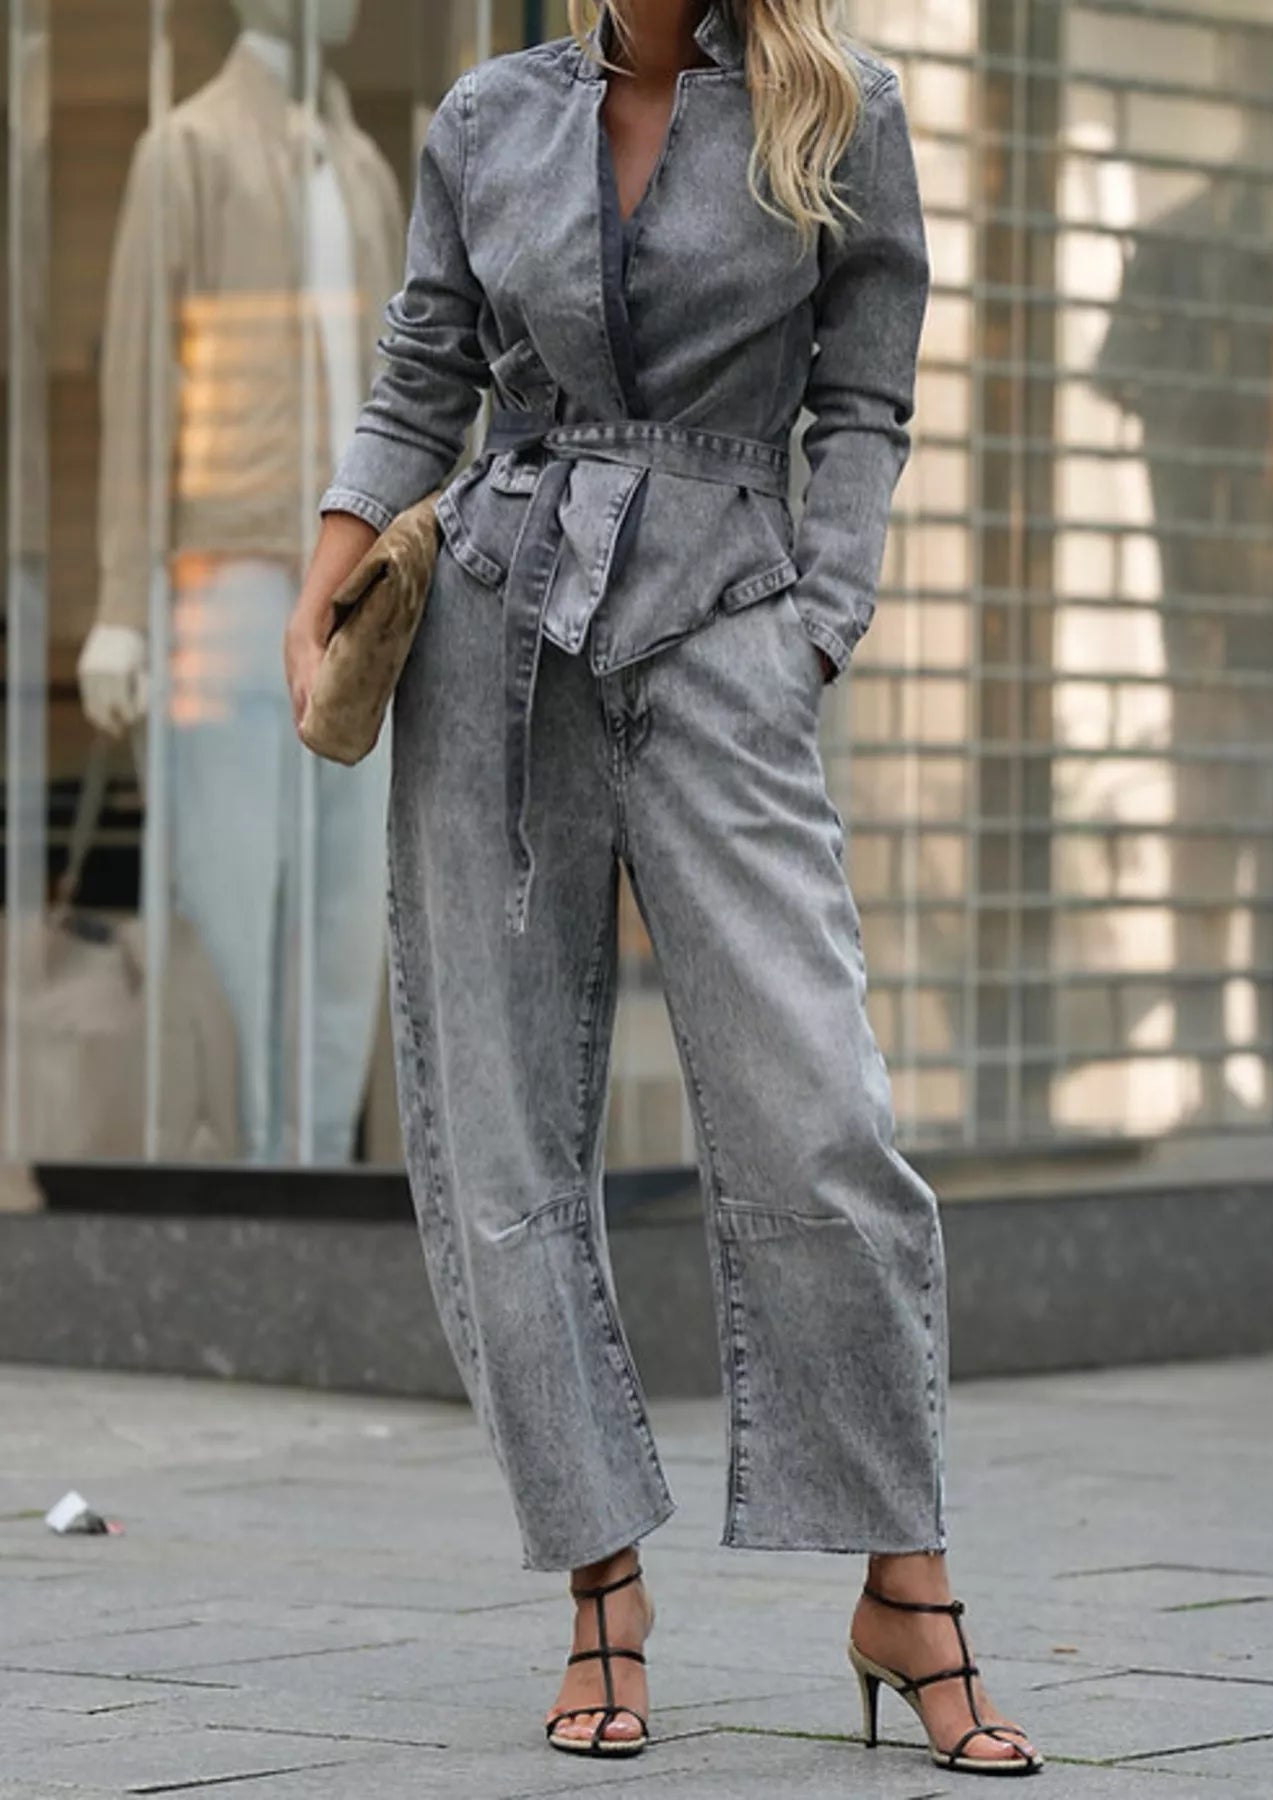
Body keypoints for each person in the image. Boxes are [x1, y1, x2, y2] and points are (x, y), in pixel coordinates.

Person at [284, 0, 1043, 1776]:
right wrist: (328, 568)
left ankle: (903, 1583)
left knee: (816, 1116)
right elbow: (424, 376)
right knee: (501, 1134)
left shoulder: (840, 108)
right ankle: (599, 1592)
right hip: (491, 635)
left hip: (722, 633)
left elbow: (859, 403)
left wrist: (816, 623)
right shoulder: (489, 116)